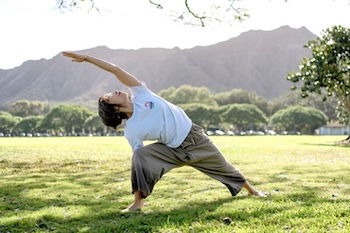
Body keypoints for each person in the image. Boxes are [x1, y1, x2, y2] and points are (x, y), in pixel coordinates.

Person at [62, 51, 266, 212]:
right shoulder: (131, 130)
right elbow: (139, 160)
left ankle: (253, 191)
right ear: (113, 109)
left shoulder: (141, 94)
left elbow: (115, 69)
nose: (113, 91)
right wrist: (148, 167)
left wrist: (87, 58)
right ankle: (137, 203)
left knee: (224, 166)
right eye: (108, 97)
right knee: (140, 155)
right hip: (173, 150)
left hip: (195, 137)